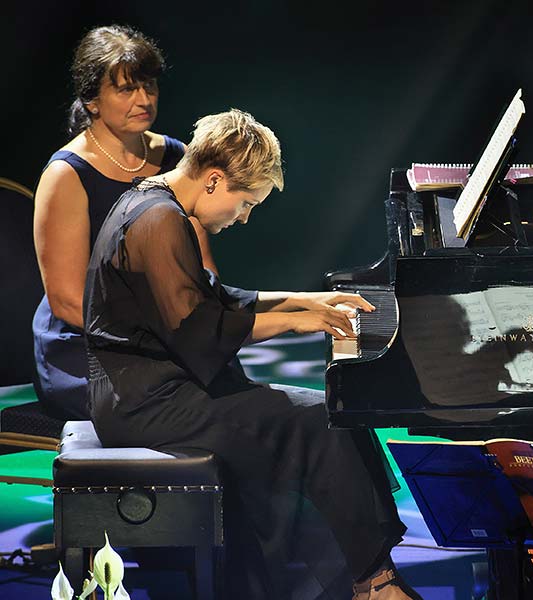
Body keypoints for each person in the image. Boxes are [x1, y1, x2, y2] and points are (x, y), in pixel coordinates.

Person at [82, 107, 422, 600]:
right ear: (215, 180)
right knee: (319, 421)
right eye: (246, 203)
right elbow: (200, 333)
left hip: (157, 388)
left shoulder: (158, 203)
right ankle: (374, 583)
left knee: (326, 417)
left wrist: (306, 301)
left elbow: (214, 297)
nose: (244, 217)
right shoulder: (159, 220)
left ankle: (369, 577)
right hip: (143, 402)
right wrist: (293, 321)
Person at [32, 24, 218, 420]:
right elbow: (66, 299)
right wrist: (154, 337)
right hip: (86, 345)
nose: (144, 99)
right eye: (126, 89)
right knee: (183, 403)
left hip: (165, 332)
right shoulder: (67, 173)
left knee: (229, 387)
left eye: (149, 86)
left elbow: (201, 265)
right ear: (92, 100)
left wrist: (206, 325)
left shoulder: (177, 157)